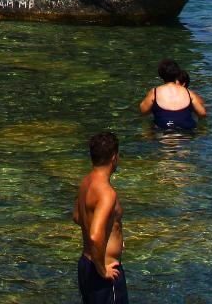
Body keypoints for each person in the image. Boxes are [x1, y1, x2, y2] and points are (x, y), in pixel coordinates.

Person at [72, 130, 127, 303]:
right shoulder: (106, 193)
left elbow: (76, 216)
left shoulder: (86, 182)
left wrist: (111, 233)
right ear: (114, 157)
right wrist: (102, 270)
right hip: (104, 271)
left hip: (86, 265)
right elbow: (95, 236)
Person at [138, 59, 207, 131]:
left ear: (160, 75)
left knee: (149, 126)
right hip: (186, 129)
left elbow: (143, 111)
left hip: (163, 128)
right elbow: (203, 114)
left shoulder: (154, 92)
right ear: (177, 74)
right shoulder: (189, 93)